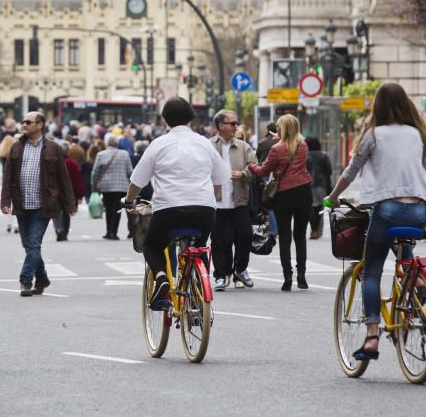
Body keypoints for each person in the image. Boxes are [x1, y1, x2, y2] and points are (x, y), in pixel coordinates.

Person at [326, 82, 426, 362]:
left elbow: (352, 170)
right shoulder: (417, 134)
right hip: (418, 210)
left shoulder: (373, 135)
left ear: (377, 106)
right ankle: (417, 286)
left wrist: (333, 197)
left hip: (387, 209)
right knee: (403, 260)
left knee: (372, 271)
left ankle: (372, 336)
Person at [125, 97, 226, 311]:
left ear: (165, 119)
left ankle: (162, 279)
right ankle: (199, 301)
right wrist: (210, 195)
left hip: (168, 209)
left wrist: (128, 201)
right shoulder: (204, 143)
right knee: (199, 247)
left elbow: (137, 182)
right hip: (204, 209)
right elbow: (221, 178)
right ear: (191, 116)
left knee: (152, 246)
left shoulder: (158, 144)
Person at [0, 111, 76, 297]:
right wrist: (5, 201)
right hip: (21, 204)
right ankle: (42, 279)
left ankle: (25, 281)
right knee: (29, 245)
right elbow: (7, 176)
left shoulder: (53, 148)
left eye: (28, 122)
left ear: (40, 125)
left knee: (33, 243)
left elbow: (64, 179)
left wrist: (70, 205)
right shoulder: (17, 147)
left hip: (44, 205)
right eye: (23, 121)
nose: (24, 124)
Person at [249, 114, 313, 291]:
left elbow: (262, 171)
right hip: (303, 191)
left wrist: (250, 165)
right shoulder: (303, 145)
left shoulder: (277, 149)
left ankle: (288, 278)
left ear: (282, 128)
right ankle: (302, 276)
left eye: (278, 126)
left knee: (285, 236)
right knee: (300, 236)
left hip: (284, 194)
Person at [209, 109, 257, 291]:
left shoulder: (244, 147)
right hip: (216, 202)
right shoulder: (209, 146)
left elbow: (255, 168)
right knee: (221, 240)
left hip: (239, 200)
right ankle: (221, 275)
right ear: (221, 125)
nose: (236, 127)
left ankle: (240, 269)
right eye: (232, 123)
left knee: (246, 235)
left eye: (236, 124)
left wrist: (243, 174)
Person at [91, 134, 133, 240]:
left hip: (106, 187)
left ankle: (108, 231)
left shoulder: (101, 154)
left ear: (107, 143)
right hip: (121, 186)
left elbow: (95, 172)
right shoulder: (124, 154)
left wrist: (94, 185)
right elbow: (130, 171)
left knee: (108, 209)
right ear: (117, 144)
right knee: (116, 210)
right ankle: (113, 232)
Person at [306, 136, 332, 240]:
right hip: (322, 185)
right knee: (320, 207)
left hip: (309, 185)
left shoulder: (305, 156)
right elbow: (329, 171)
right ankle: (317, 230)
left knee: (312, 207)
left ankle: (314, 230)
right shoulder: (324, 155)